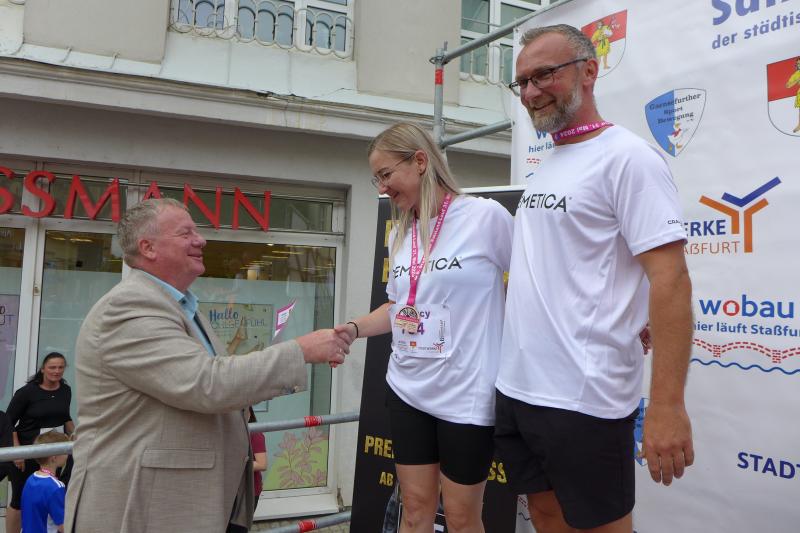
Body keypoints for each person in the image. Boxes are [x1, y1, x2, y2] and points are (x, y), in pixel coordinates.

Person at [498, 25, 694, 533]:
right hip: (518, 386)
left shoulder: (629, 157)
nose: (530, 92)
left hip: (585, 398)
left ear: (589, 70)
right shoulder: (551, 162)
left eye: (544, 74)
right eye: (522, 81)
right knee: (545, 517)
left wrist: (667, 405)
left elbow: (670, 279)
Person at [65, 198, 350, 533]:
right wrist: (300, 351)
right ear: (148, 247)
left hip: (180, 503)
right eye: (185, 233)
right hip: (142, 507)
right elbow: (206, 383)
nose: (200, 240)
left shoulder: (179, 306)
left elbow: (214, 375)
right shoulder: (129, 306)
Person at [335, 122, 513, 533]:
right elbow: (399, 306)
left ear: (419, 161)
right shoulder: (401, 233)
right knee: (414, 510)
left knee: (462, 518)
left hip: (466, 393)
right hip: (408, 388)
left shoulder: (484, 217)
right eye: (376, 179)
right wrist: (354, 328)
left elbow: (530, 283)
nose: (382, 188)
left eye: (385, 174)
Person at [6, 352, 74, 533]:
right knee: (19, 499)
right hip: (27, 452)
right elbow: (8, 422)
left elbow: (66, 417)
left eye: (60, 367)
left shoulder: (65, 390)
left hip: (53, 453)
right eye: (52, 367)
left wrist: (75, 436)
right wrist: (17, 451)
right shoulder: (27, 392)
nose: (56, 371)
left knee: (52, 495)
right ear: (43, 369)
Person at [21, 431, 71, 533]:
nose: (68, 454)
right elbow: (63, 527)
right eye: (65, 450)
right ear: (54, 457)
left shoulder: (30, 479)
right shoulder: (56, 487)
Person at [248, 407, 267, 510]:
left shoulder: (255, 433)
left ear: (249, 414)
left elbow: (262, 464)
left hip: (250, 489)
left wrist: (233, 464)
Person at [786, 57, 800, 133]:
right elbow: (787, 85)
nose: (799, 65)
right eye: (798, 64)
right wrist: (797, 79)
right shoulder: (796, 74)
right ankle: (799, 125)